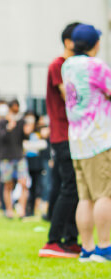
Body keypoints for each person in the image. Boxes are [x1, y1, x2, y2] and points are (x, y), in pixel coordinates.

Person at [61, 24, 111, 262]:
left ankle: (87, 249)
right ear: (95, 44)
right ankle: (104, 247)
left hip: (77, 140)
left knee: (86, 197)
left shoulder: (67, 66)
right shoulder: (96, 66)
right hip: (99, 138)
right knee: (104, 194)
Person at [39, 22, 82, 258]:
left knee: (76, 189)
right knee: (70, 187)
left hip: (75, 135)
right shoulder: (59, 65)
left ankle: (71, 239)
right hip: (62, 135)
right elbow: (69, 96)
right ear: (69, 42)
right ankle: (53, 240)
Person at [0, 101, 29, 218]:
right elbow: (0, 137)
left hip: (19, 157)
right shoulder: (1, 122)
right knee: (7, 185)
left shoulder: (21, 122)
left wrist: (27, 129)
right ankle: (9, 210)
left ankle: (22, 210)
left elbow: (26, 137)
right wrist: (9, 126)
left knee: (24, 183)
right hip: (5, 158)